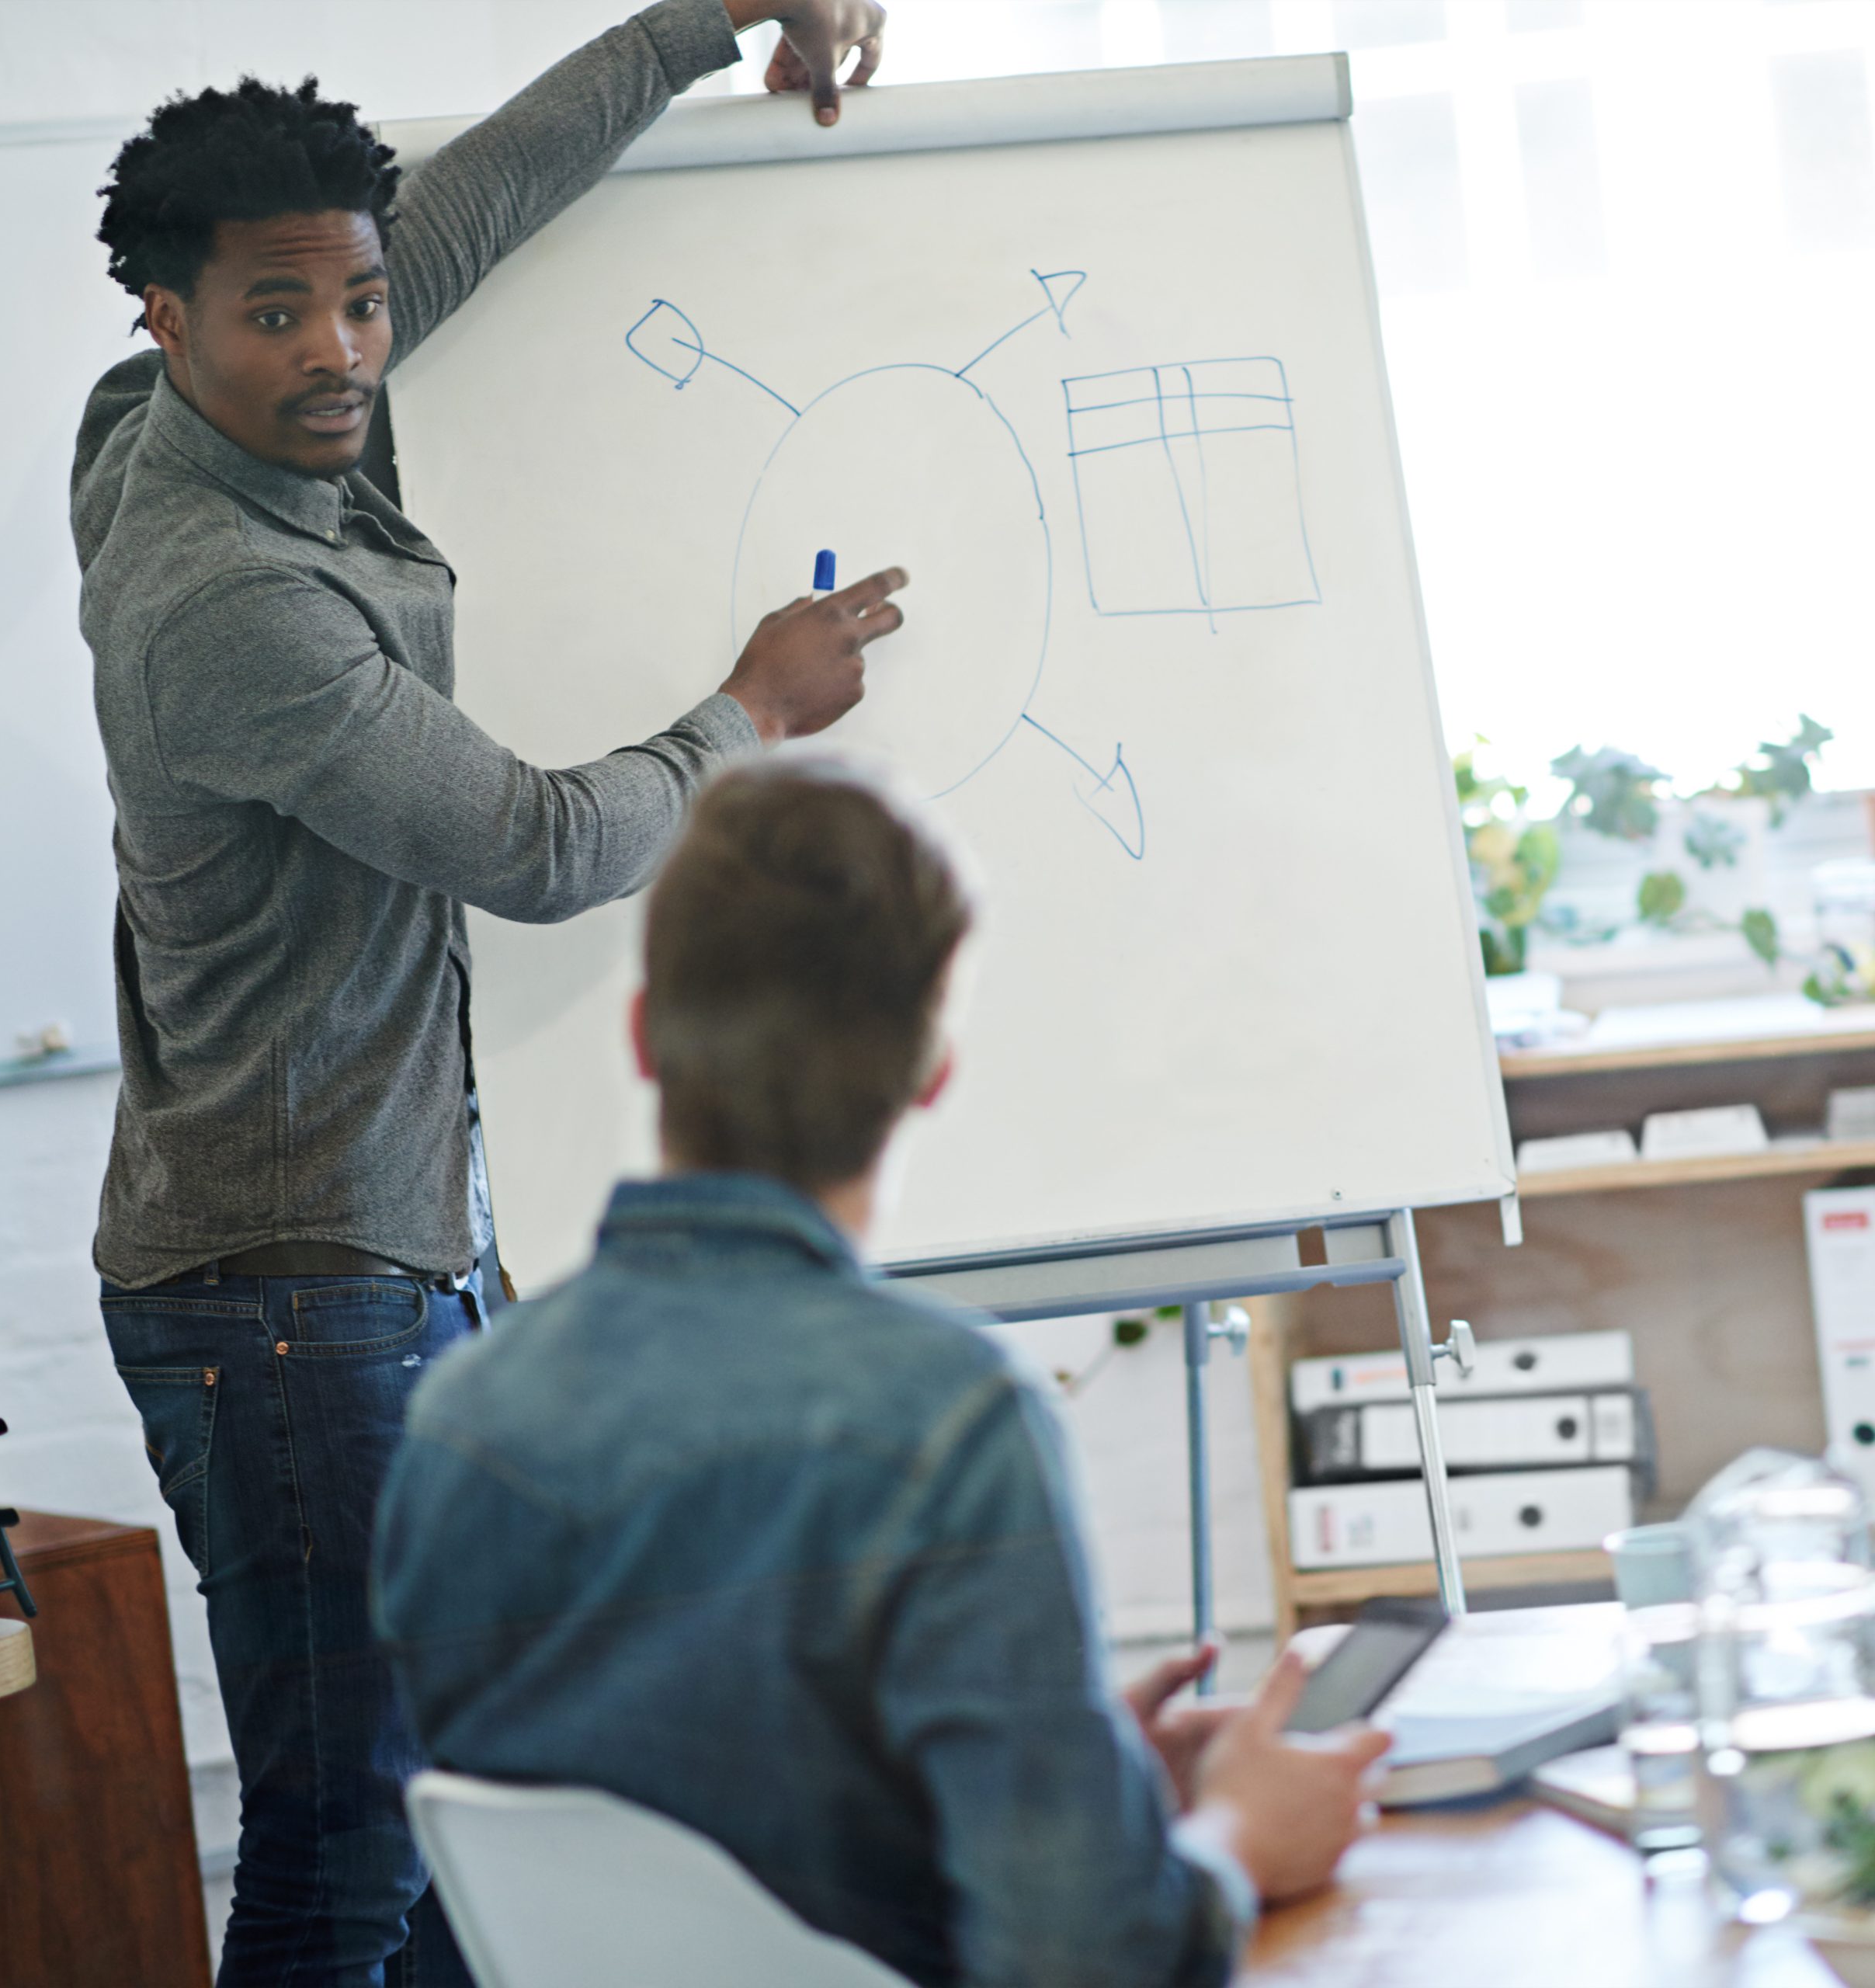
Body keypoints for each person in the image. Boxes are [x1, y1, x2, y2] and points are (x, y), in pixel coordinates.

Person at [77, 5, 899, 1981]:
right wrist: (749, 706)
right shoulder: (229, 599)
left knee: (459, 1828)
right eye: (278, 313)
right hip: (293, 1301)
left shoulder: (162, 406)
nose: (342, 352)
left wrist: (707, 21)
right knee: (345, 1854)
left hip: (381, 1258)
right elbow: (537, 846)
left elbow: (464, 211)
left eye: (356, 304)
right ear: (169, 320)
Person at [373, 761, 1389, 1988]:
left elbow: (681, 1844)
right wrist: (1240, 1834)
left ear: (643, 1036)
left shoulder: (461, 1416)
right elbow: (1081, 1965)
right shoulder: (949, 1424)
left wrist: (1066, 1789)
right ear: (931, 1069)